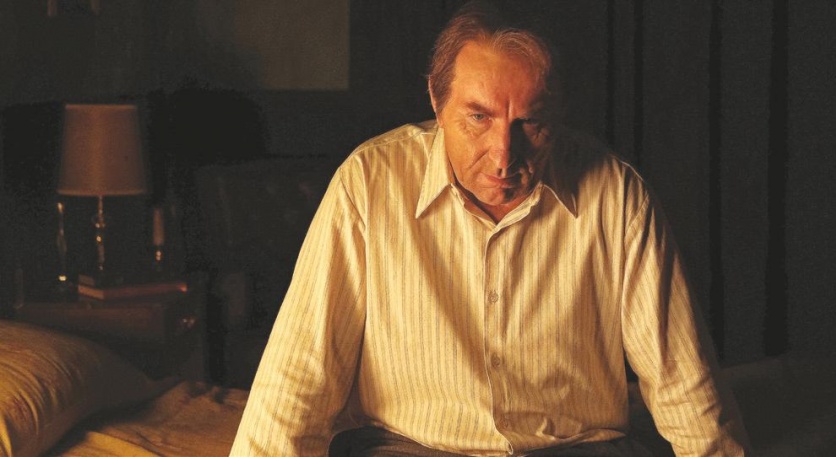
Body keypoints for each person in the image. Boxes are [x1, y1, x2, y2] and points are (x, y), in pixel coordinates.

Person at [230, 2, 751, 456]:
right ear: (436, 102)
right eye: (478, 118)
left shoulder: (618, 196)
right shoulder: (368, 183)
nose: (504, 155)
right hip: (409, 449)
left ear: (558, 111)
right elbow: (299, 376)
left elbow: (684, 382)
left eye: (530, 123)